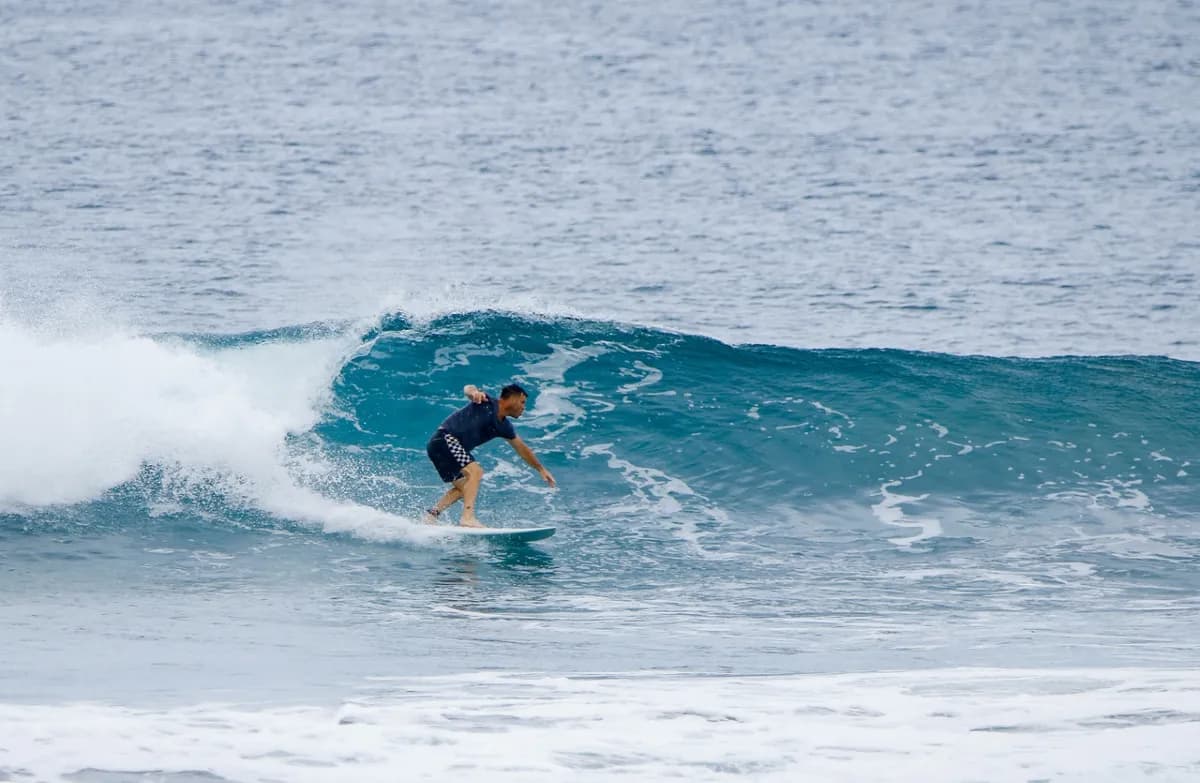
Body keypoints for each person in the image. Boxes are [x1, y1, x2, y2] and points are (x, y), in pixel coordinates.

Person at [423, 383, 556, 527]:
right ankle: (467, 518)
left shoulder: (504, 426)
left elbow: (522, 449)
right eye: (522, 402)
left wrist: (540, 469)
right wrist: (474, 392)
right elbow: (468, 388)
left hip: (440, 448)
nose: (524, 407)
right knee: (475, 472)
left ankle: (431, 515)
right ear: (511, 399)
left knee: (465, 487)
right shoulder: (486, 402)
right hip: (445, 439)